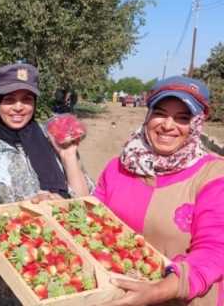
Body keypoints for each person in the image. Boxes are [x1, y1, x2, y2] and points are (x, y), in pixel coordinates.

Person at [0, 63, 93, 306]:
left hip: (57, 269)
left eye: (26, 99)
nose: (19, 107)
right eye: (10, 99)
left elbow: (85, 206)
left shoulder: (54, 139)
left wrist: (68, 156)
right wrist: (31, 214)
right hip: (2, 277)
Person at [94, 76, 224, 306]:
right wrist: (54, 206)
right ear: (148, 115)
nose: (167, 125)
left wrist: (157, 291)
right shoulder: (118, 167)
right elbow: (91, 222)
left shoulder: (213, 175)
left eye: (182, 118)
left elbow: (215, 251)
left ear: (197, 124)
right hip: (118, 296)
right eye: (160, 113)